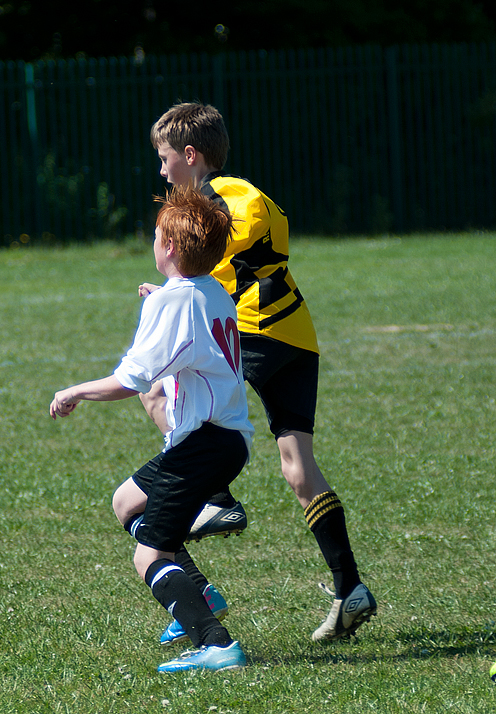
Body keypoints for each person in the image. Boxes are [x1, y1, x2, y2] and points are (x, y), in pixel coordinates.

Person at [143, 102, 376, 644]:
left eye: (165, 158)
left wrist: (182, 296)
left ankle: (216, 498)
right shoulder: (239, 194)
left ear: (191, 155)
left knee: (157, 388)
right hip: (296, 331)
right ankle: (350, 587)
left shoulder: (218, 197)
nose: (162, 170)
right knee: (298, 468)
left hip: (256, 329)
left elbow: (227, 257)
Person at [50, 186, 254, 673]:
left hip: (204, 444)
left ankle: (215, 641)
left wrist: (74, 391)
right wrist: (162, 298)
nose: (154, 242)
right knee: (126, 501)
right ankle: (200, 592)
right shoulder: (213, 292)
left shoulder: (174, 302)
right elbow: (190, 322)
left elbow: (131, 381)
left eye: (158, 236)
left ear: (171, 249)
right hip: (223, 439)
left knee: (149, 556)